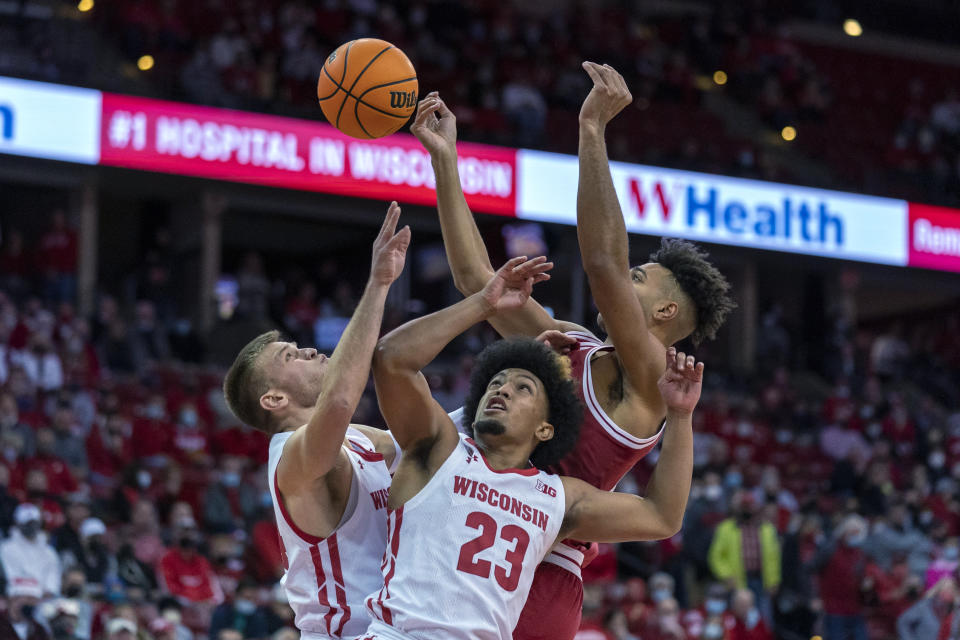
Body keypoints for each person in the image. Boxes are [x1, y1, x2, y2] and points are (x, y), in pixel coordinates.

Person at [411, 62, 734, 640]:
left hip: (541, 567)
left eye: (641, 279)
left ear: (664, 314)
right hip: (472, 534)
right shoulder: (573, 343)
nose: (623, 282)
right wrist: (444, 161)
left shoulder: (651, 377)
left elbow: (604, 262)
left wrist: (592, 131)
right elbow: (474, 281)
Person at [357, 256, 701, 640]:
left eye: (524, 387)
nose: (503, 389)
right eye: (497, 382)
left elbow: (662, 517)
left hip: (547, 577)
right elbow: (396, 356)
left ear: (546, 426)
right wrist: (484, 305)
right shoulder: (444, 450)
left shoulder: (554, 499)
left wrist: (682, 417)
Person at [222, 202, 410, 639]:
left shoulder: (361, 439)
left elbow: (444, 441)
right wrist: (379, 284)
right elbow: (342, 400)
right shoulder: (291, 458)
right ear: (274, 398)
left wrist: (486, 302)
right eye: (290, 356)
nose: (307, 350)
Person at [0, 503, 61, 597]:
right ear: (17, 523)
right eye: (27, 523)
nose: (31, 527)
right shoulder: (5, 549)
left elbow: (52, 584)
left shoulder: (49, 552)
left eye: (34, 523)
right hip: (15, 598)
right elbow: (9, 579)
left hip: (42, 602)